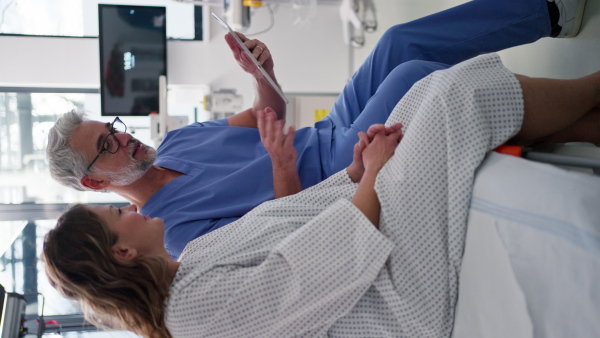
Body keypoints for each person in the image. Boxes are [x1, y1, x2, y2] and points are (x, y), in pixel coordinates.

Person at [42, 53, 600, 338]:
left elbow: (296, 225)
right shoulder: (191, 309)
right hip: (399, 297)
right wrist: (372, 181)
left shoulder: (188, 266)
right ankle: (592, 91)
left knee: (420, 85)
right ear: (121, 252)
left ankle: (588, 122)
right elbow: (321, 267)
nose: (129, 211)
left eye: (111, 128)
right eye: (116, 214)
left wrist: (357, 176)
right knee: (449, 97)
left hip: (358, 218)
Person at [46, 0, 588, 258]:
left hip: (329, 130)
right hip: (336, 172)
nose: (122, 135)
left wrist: (263, 73)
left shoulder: (180, 141)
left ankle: (548, 11)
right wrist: (283, 166)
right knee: (411, 74)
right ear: (94, 183)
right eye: (105, 145)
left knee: (397, 41)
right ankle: (571, 109)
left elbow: (272, 114)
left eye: (112, 127)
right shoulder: (178, 233)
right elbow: (290, 232)